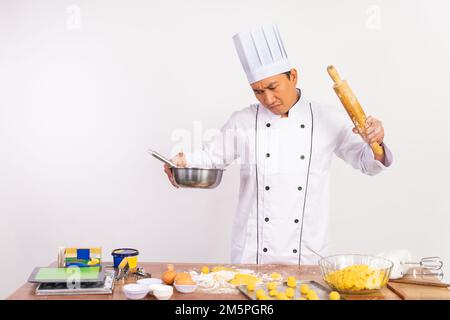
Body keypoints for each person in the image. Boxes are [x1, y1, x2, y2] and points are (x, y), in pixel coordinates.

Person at [163, 24, 393, 265]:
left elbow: (368, 164)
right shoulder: (242, 121)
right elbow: (210, 158)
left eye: (273, 87)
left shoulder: (328, 118)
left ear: (293, 76)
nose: (268, 99)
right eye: (258, 92)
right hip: (252, 256)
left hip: (308, 257)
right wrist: (179, 162)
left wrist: (375, 141)